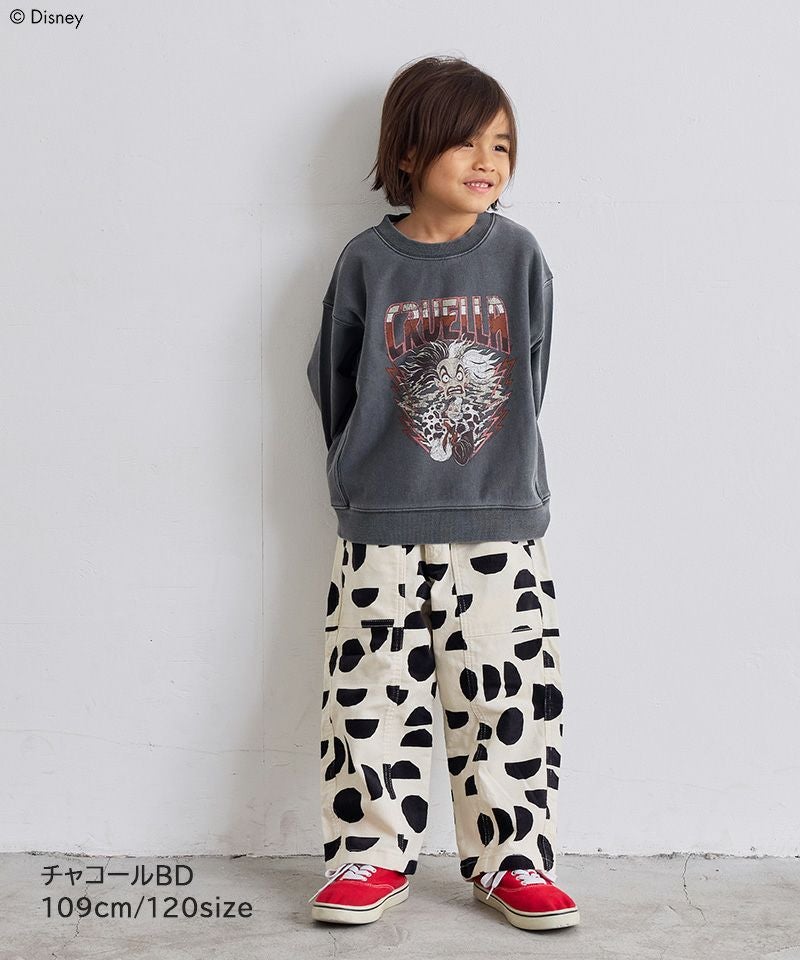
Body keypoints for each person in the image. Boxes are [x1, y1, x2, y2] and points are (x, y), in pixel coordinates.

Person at [304, 54, 579, 933]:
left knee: (507, 696)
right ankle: (369, 854)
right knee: (370, 691)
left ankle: (512, 859)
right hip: (380, 523)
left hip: (498, 520)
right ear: (408, 151)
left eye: (502, 142)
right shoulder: (366, 262)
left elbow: (531, 377)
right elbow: (335, 382)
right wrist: (363, 475)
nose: (487, 159)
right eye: (465, 141)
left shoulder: (518, 255)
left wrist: (497, 470)